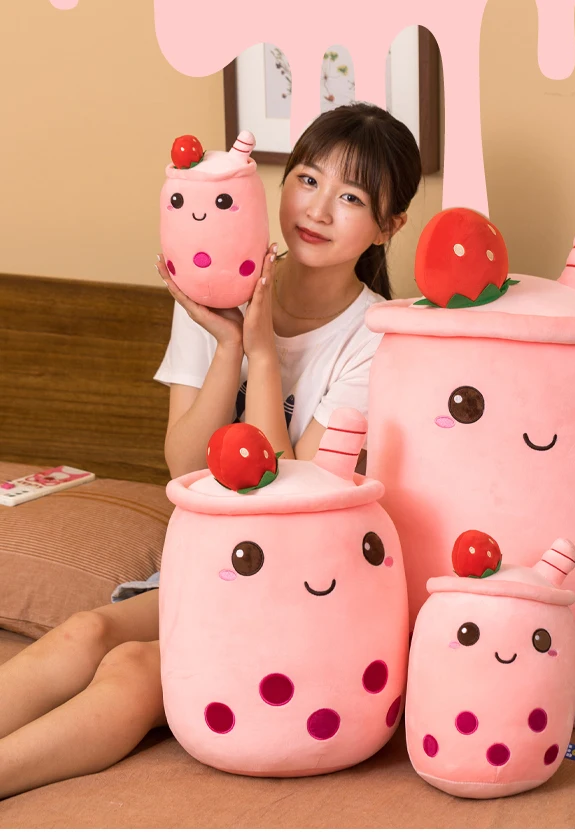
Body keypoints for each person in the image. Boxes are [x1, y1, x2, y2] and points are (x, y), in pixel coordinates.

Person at [0, 102, 422, 798]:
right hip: (210, 563)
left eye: (351, 197)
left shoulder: (378, 338)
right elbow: (184, 467)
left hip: (303, 588)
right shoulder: (213, 279)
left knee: (134, 669)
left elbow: (287, 504)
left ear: (389, 226)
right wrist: (228, 343)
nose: (317, 210)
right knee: (85, 630)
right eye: (307, 179)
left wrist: (262, 353)